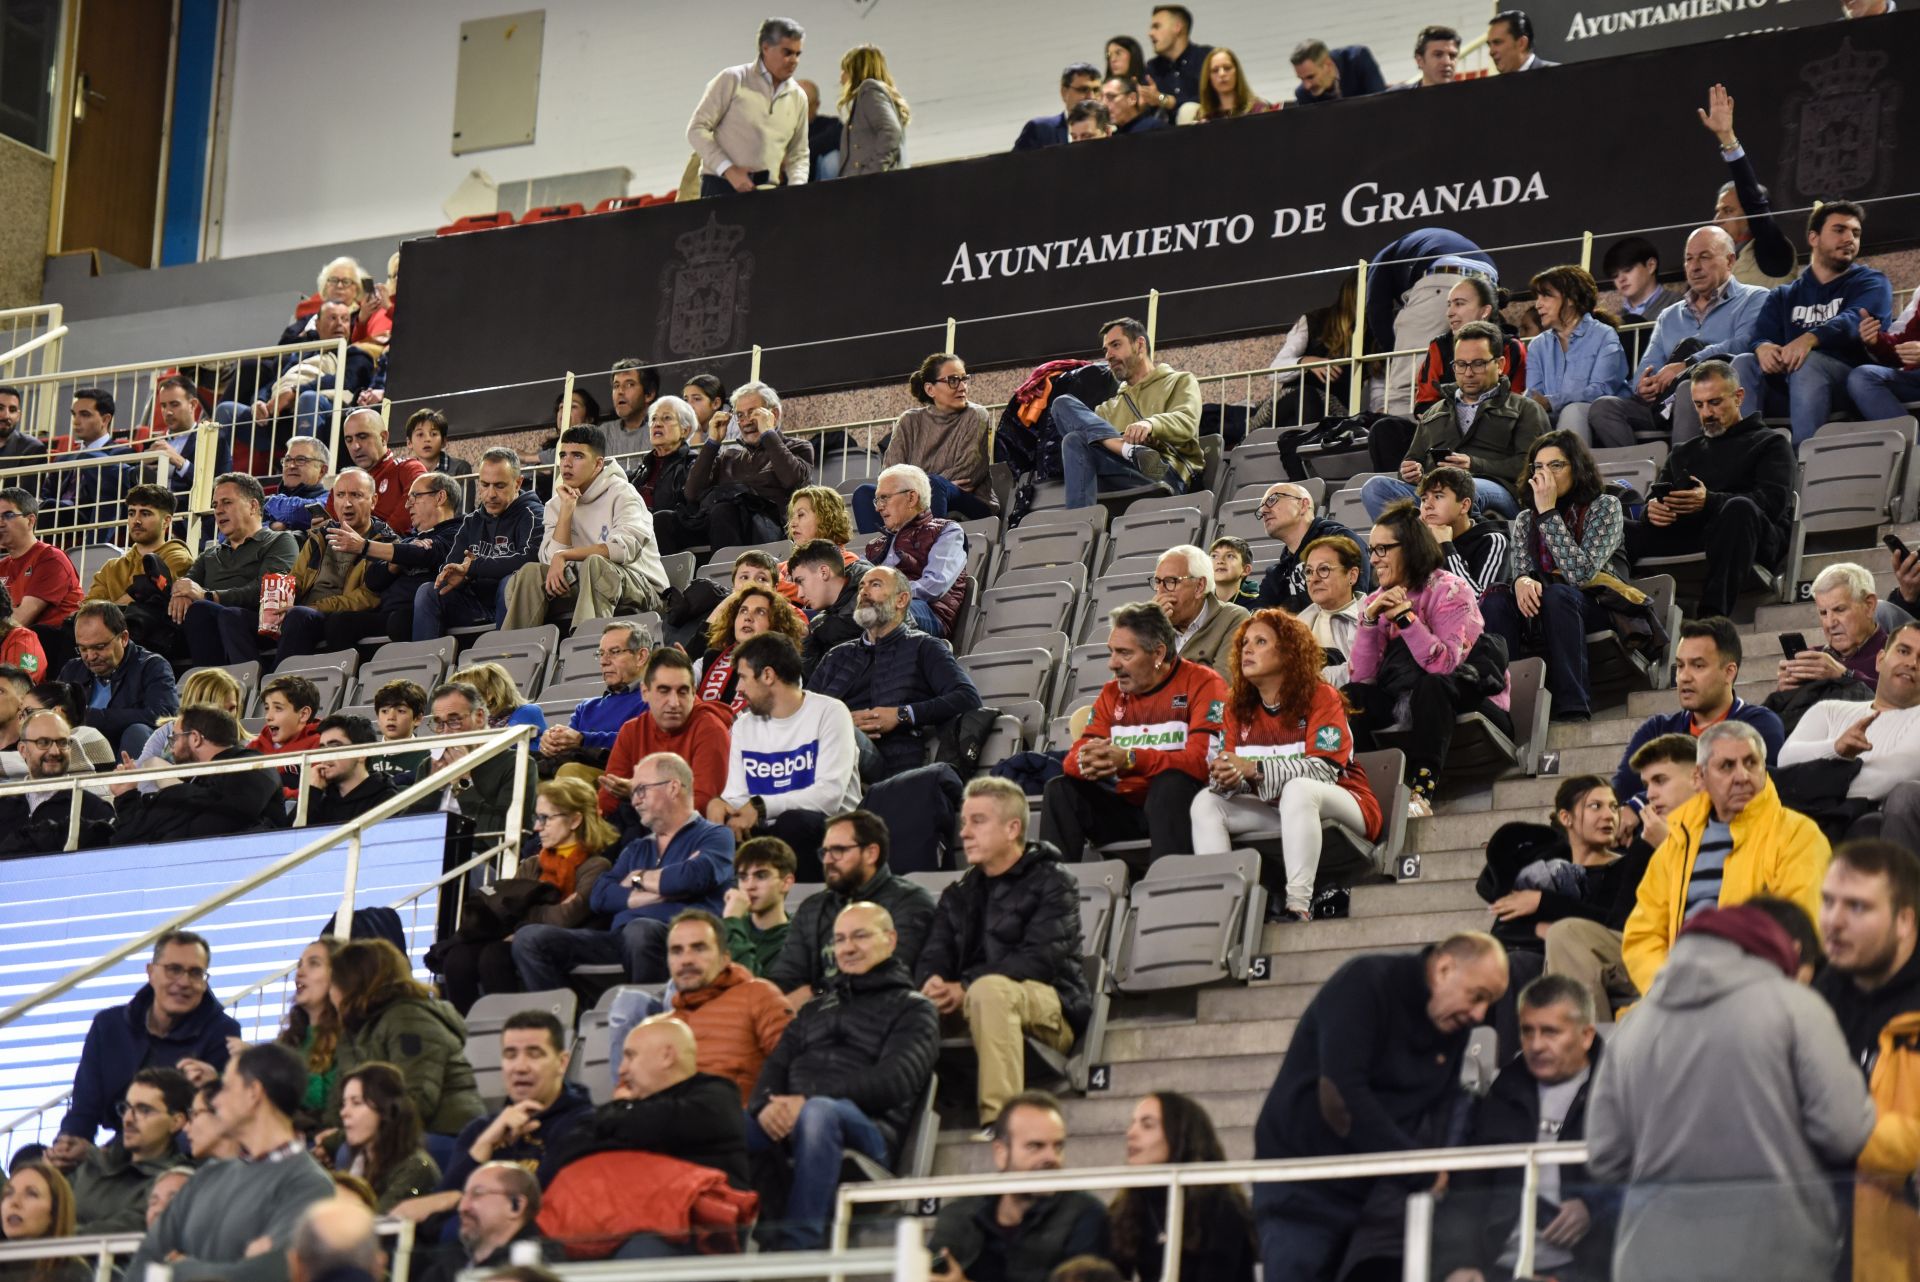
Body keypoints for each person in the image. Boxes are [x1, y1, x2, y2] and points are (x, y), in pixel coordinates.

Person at [1586, 903, 1874, 1282]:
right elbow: (1846, 1131)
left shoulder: (1634, 1027)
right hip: (1777, 1258)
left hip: (1650, 1260)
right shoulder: (1796, 1007)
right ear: (1792, 950)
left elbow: (1605, 1156)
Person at [1251, 933, 1510, 1282]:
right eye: (1476, 996)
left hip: (1372, 1197)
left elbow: (1441, 1109)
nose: (1479, 1014)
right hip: (1300, 1189)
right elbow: (1339, 1098)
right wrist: (1419, 1169)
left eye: (1488, 1003)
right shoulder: (1365, 983)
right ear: (1445, 969)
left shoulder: (1453, 1023)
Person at [748, 899, 938, 1248]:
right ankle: (734, 1246)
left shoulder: (915, 1008)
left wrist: (805, 1102)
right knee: (735, 1124)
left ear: (891, 939)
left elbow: (896, 1080)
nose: (847, 948)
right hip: (798, 1119)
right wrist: (765, 1105)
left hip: (870, 1133)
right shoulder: (813, 1009)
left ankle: (801, 1246)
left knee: (818, 1112)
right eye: (839, 939)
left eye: (860, 936)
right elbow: (776, 1066)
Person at [1190, 610, 1383, 919]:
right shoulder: (1237, 709)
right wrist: (1228, 776)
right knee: (1206, 802)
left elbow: (1324, 771)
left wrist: (1253, 768)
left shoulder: (1322, 696)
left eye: (1261, 641)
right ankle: (1225, 912)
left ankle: (1298, 905)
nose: (1247, 650)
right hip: (1281, 810)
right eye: (1245, 643)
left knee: (1298, 790)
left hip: (1347, 802)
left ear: (1288, 652)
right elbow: (1240, 776)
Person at [918, 778, 1089, 1124]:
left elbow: (1039, 960)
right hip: (974, 999)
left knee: (988, 991)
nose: (964, 832)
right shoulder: (960, 892)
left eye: (977, 821)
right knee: (908, 1005)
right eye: (964, 822)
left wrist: (965, 985)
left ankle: (1001, 1124)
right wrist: (933, 982)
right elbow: (934, 952)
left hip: (1050, 1007)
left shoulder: (1054, 881)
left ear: (1013, 828)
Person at [1620, 720, 1830, 994]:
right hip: (1676, 990)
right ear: (1701, 777)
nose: (1742, 776)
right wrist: (1666, 986)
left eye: (1751, 763)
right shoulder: (1677, 842)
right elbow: (1643, 935)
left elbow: (1799, 930)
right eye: (1727, 766)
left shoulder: (1798, 834)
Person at [1433, 975, 1612, 1282]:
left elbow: (1647, 1181)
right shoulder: (1504, 1093)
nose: (1536, 1045)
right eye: (1527, 1032)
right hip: (1500, 1268)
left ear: (1586, 1036)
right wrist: (1459, 1263)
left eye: (1550, 1032)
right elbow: (1467, 1190)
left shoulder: (1616, 1092)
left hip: (1586, 1269)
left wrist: (1593, 1207)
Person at [1346, 501, 1513, 814]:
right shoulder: (1373, 601)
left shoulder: (1450, 589)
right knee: (1351, 697)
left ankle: (1421, 792)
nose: (1373, 559)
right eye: (1371, 550)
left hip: (1471, 695)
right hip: (1403, 697)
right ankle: (1362, 792)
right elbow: (1363, 679)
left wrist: (1407, 620)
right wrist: (1369, 622)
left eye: (1382, 549)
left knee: (1432, 686)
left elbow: (1446, 666)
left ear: (1409, 548)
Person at [513, 753, 733, 989]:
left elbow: (692, 877)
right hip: (618, 939)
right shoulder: (638, 847)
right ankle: (560, 1020)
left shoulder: (715, 835)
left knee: (641, 930)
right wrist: (657, 888)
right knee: (531, 938)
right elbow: (601, 895)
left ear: (673, 788)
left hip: (680, 938)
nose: (634, 801)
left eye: (640, 790)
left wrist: (635, 879)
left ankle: (647, 1017)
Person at [1040, 602, 1228, 875]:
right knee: (1061, 790)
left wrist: (1129, 759)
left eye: (1124, 653)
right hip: (1128, 810)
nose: (1112, 664)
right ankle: (1051, 895)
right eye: (1111, 652)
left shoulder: (1203, 683)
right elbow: (1075, 757)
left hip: (1185, 809)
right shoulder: (1112, 693)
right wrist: (1088, 762)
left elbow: (1202, 762)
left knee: (1170, 784)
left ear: (1158, 653)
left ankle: (1166, 892)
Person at [125, 1044, 335, 1282]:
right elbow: (144, 1261)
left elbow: (272, 1271)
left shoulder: (309, 1184)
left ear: (253, 1093)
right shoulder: (206, 1176)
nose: (218, 1100)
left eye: (227, 1087)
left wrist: (179, 1270)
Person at [1813, 840, 1920, 1282]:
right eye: (1828, 902)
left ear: (1904, 920)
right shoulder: (1820, 998)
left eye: (1857, 907)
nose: (1834, 922)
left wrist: (1835, 1131)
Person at [1622, 360, 1795, 617]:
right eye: (1699, 405)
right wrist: (1652, 511)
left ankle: (1711, 617)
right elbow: (1654, 500)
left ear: (1739, 397)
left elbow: (1771, 504)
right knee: (1617, 524)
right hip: (1692, 534)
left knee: (1739, 508)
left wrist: (1710, 501)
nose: (1706, 413)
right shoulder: (1683, 452)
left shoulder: (1771, 443)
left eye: (1715, 402)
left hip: (1751, 535)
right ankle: (1623, 616)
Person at [389, 1010, 592, 1226]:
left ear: (562, 1063)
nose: (520, 1067)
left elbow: (539, 1205)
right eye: (510, 1055)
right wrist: (483, 1146)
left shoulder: (583, 1126)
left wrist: (458, 1198)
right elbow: (434, 1216)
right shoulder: (481, 1130)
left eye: (534, 1054)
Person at [55, 929, 238, 1168]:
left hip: (176, 1156)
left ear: (204, 982)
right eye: (173, 969)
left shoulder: (222, 1031)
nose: (183, 982)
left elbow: (208, 1119)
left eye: (195, 973)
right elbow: (84, 1106)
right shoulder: (108, 1025)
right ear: (151, 972)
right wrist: (69, 1142)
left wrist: (214, 1082)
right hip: (115, 1149)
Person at [435, 777, 616, 1012]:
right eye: (537, 818)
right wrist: (540, 911)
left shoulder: (596, 866)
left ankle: (514, 1033)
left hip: (562, 948)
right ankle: (467, 1040)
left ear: (575, 820)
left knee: (494, 955)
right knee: (457, 958)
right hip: (518, 940)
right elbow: (506, 911)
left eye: (545, 818)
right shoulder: (532, 864)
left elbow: (565, 919)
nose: (537, 827)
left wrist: (524, 915)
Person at [1480, 432, 1624, 722]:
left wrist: (1547, 512)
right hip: (1545, 605)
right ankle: (1506, 706)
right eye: (1538, 467)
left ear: (1577, 467)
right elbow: (1522, 567)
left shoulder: (1605, 506)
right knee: (1495, 598)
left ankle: (1573, 707)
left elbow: (1581, 574)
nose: (1545, 474)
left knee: (1559, 595)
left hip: (1596, 604)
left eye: (1555, 465)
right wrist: (1521, 580)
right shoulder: (1524, 519)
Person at [1586, 225, 1769, 448]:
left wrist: (1686, 365)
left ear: (1730, 261)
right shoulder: (1669, 315)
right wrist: (1645, 385)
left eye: (1704, 257)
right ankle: (1641, 471)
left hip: (1717, 400)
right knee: (1603, 407)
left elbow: (1743, 343)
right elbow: (1647, 366)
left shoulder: (1755, 298)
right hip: (1662, 405)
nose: (1695, 267)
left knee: (1688, 388)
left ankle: (1681, 473)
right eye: (1689, 259)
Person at [538, 1016, 749, 1203]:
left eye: (631, 1056)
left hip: (696, 1230)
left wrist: (619, 1111)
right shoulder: (631, 1109)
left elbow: (660, 1123)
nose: (622, 1069)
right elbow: (570, 1146)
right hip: (635, 1219)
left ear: (666, 1056)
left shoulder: (718, 1094)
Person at [1731, 200, 1893, 445]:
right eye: (1839, 230)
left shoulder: (1871, 282)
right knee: (1743, 363)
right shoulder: (1784, 295)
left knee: (1808, 363)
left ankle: (1803, 465)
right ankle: (1747, 454)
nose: (1850, 238)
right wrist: (1762, 346)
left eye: (1856, 233)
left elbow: (1853, 320)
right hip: (1788, 388)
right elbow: (1759, 334)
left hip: (1846, 386)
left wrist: (1809, 339)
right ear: (1814, 237)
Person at [707, 633, 862, 879]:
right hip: (769, 832)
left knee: (794, 822)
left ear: (768, 675)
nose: (738, 688)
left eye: (743, 678)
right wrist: (722, 805)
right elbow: (738, 795)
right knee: (720, 831)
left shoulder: (830, 712)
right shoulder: (744, 726)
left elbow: (828, 796)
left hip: (832, 833)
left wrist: (760, 807)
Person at [1610, 617, 1783, 832]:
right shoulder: (1657, 729)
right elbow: (1618, 794)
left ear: (1729, 672)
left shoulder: (1759, 724)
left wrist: (1638, 805)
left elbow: (1727, 789)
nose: (1684, 677)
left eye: (1698, 665)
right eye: (1680, 666)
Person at [811, 565, 983, 778]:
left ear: (901, 600)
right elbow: (806, 713)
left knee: (838, 732)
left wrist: (902, 714)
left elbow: (967, 698)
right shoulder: (836, 656)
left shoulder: (924, 647)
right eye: (861, 586)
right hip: (826, 756)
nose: (863, 592)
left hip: (887, 763)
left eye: (875, 585)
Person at [1362, 321, 1544, 521]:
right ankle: (1417, 543)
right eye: (1461, 364)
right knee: (1374, 488)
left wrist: (1475, 465)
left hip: (1497, 491)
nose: (1468, 373)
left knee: (1463, 491)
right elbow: (1413, 459)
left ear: (1500, 365)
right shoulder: (1434, 413)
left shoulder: (1525, 409)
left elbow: (1530, 467)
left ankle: (1447, 544)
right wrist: (1409, 472)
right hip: (1436, 493)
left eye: (1478, 363)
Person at [764, 807, 937, 1008]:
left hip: (882, 1019)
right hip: (812, 1024)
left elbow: (894, 975)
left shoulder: (909, 901)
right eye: (825, 852)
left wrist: (817, 992)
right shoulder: (813, 908)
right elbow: (785, 977)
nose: (827, 860)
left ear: (871, 853)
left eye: (838, 851)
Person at [928, 1092, 1110, 1282]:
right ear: (1001, 1153)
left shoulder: (1086, 1217)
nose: (1052, 1158)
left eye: (1058, 1147)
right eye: (1035, 1146)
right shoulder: (960, 1216)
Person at [501, 424, 665, 631]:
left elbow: (623, 549)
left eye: (577, 456)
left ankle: (585, 648)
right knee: (531, 573)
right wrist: (566, 511)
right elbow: (551, 561)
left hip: (643, 587)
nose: (567, 464)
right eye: (563, 455)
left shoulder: (624, 494)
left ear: (598, 464)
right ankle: (512, 655)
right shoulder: (556, 504)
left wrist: (565, 556)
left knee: (595, 564)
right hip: (585, 586)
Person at [1780, 620, 1920, 850]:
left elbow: (1888, 779)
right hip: (1816, 821)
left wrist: (1813, 782)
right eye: (1904, 651)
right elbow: (1786, 760)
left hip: (1880, 826)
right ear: (1880, 660)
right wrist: (1836, 749)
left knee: (1876, 819)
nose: (1912, 663)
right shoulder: (1828, 710)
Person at [327, 938, 485, 1139]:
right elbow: (339, 1101)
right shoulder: (357, 1028)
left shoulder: (408, 1018)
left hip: (446, 1134)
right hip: (397, 1134)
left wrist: (340, 1140)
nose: (329, 992)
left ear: (352, 984)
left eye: (334, 982)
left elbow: (417, 1101)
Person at [1054, 318, 1200, 510]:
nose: (1109, 355)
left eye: (1115, 345)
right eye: (1106, 350)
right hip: (1123, 474)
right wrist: (1128, 443)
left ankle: (1126, 450)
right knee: (1065, 413)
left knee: (1077, 434)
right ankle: (1081, 523)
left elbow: (1187, 422)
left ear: (1139, 345)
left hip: (1166, 473)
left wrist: (1150, 425)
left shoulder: (1179, 381)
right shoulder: (1106, 409)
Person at [1109, 1093, 1255, 1282]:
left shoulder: (1221, 1205)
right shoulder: (1129, 1204)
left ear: (1178, 1134)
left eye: (1147, 1125)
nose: (1131, 1134)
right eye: (1132, 1123)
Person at [656, 909, 790, 1105]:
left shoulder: (759, 996)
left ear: (725, 958)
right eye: (676, 951)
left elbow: (795, 1062)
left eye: (699, 948)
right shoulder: (662, 1026)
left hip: (742, 1121)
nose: (686, 960)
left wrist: (768, 1104)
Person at [320, 469, 463, 649]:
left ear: (440, 497)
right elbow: (372, 580)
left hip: (425, 613)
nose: (407, 505)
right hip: (388, 613)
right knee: (338, 622)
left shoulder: (459, 532)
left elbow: (427, 554)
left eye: (415, 496)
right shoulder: (410, 539)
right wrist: (395, 562)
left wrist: (364, 546)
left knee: (400, 621)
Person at [853, 354, 997, 531]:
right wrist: (912, 493)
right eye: (953, 380)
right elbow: (890, 473)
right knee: (863, 494)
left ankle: (923, 546)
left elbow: (969, 472)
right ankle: (879, 553)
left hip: (970, 503)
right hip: (912, 500)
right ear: (930, 389)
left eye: (964, 379)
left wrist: (916, 489)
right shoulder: (909, 420)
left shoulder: (976, 415)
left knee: (935, 484)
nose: (962, 387)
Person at [267, 469, 397, 662]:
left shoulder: (384, 543)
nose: (347, 503)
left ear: (374, 500)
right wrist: (278, 601)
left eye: (356, 495)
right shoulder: (320, 537)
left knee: (298, 616)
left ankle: (279, 685)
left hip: (333, 616)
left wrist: (315, 607)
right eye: (340, 495)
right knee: (236, 617)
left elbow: (367, 597)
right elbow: (297, 579)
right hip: (302, 613)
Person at [171, 474, 301, 665]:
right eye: (215, 505)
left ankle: (216, 683)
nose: (218, 511)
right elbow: (186, 583)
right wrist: (181, 594)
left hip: (255, 623)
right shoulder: (210, 554)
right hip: (210, 622)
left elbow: (265, 591)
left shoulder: (280, 541)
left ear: (253, 506)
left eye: (227, 503)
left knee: (204, 610)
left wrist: (209, 597)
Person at [414, 448, 543, 640]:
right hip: (474, 606)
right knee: (428, 591)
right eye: (484, 485)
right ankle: (424, 666)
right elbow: (452, 567)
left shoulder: (533, 514)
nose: (490, 494)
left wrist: (473, 567)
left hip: (513, 605)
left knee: (510, 582)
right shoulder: (472, 521)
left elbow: (530, 559)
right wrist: (459, 576)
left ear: (518, 483)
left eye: (499, 486)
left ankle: (504, 657)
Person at [109, 705, 282, 843]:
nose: (172, 747)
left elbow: (220, 823)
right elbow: (134, 835)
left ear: (195, 738)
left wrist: (171, 797)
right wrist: (127, 797)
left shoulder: (252, 767)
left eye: (174, 738)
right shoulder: (202, 781)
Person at [598, 647, 734, 820]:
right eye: (664, 691)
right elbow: (607, 802)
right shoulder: (631, 731)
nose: (674, 703)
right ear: (645, 692)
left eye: (683, 692)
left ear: (693, 693)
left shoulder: (711, 730)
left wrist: (643, 792)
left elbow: (703, 805)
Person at [682, 381, 813, 548]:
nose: (745, 422)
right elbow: (692, 493)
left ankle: (727, 571)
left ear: (773, 413)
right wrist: (713, 442)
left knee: (723, 510)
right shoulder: (729, 457)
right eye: (740, 415)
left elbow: (792, 481)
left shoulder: (798, 447)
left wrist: (768, 433)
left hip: (771, 528)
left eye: (753, 413)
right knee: (664, 519)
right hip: (723, 525)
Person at [687, 17, 809, 196]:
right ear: (765, 48)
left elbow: (798, 154)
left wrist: (797, 190)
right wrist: (729, 170)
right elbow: (696, 130)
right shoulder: (732, 79)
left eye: (798, 54)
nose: (794, 60)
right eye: (787, 52)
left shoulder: (799, 97)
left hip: (768, 194)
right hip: (720, 187)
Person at [70, 1068, 193, 1233]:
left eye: (144, 1110)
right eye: (126, 1108)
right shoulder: (92, 1163)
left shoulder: (176, 1181)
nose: (127, 1119)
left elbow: (132, 1227)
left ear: (176, 1122)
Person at [1700, 83, 1797, 290]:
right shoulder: (1715, 263)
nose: (1717, 220)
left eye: (1728, 210)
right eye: (1718, 211)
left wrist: (1727, 138)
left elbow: (1754, 204)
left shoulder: (1772, 251)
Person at [52, 601, 177, 760]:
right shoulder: (72, 669)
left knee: (136, 731)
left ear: (123, 638)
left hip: (129, 754)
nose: (90, 657)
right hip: (81, 755)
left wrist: (93, 718)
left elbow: (163, 716)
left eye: (99, 647)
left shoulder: (152, 666)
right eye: (83, 649)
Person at [861, 464, 972, 638]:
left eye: (884, 498)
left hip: (927, 612)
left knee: (876, 612)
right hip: (883, 608)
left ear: (911, 498)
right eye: (877, 500)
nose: (878, 507)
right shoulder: (875, 546)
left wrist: (885, 594)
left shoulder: (947, 531)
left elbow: (934, 585)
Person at [1524, 266, 1629, 445]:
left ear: (1571, 299)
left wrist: (1552, 402)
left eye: (1546, 295)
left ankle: (1574, 472)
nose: (1538, 304)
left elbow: (1601, 390)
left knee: (1573, 411)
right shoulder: (1537, 345)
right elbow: (1535, 396)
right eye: (1537, 297)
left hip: (1601, 417)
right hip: (1554, 420)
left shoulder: (1604, 335)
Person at [538, 622, 648, 780]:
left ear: (640, 657)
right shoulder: (586, 708)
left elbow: (641, 741)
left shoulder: (655, 700)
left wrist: (584, 739)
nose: (604, 661)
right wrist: (553, 742)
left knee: (570, 773)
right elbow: (569, 748)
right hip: (575, 773)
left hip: (623, 779)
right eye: (601, 654)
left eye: (614, 652)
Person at [328, 1063, 440, 1213]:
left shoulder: (416, 1168)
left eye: (356, 1103)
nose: (344, 1113)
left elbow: (374, 1224)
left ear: (386, 1109)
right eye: (343, 1104)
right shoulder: (359, 1163)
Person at [0, 710, 114, 855]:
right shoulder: (3, 806)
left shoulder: (93, 808)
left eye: (62, 743)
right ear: (23, 750)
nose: (54, 751)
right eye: (43, 743)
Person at [1410, 276, 1529, 414]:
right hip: (1443, 426)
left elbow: (1513, 405)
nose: (1449, 313)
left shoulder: (1511, 348)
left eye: (1459, 304)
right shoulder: (1439, 346)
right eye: (1449, 304)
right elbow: (1425, 402)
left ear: (1485, 311)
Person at [415, 1164, 546, 1282]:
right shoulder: (449, 1262)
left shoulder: (539, 1268)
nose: (462, 1208)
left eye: (478, 1194)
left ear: (516, 1205)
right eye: (464, 1196)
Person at [1253, 482, 1368, 613]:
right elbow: (1258, 616)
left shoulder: (1339, 540)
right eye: (1261, 508)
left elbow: (1358, 605)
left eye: (1272, 500)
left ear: (1303, 505)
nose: (1263, 511)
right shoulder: (1278, 572)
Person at [1778, 561, 1890, 694]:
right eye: (1823, 613)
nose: (1830, 623)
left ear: (1869, 605)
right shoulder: (1813, 661)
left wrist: (1845, 676)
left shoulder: (1902, 653)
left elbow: (1906, 703)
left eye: (1839, 609)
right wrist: (1783, 694)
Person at [697, 583, 808, 716]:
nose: (748, 617)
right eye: (743, 610)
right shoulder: (710, 659)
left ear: (775, 625)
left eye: (760, 612)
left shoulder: (785, 671)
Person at [84, 483, 193, 614]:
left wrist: (108, 610)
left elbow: (150, 590)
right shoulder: (111, 567)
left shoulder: (178, 557)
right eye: (131, 513)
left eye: (145, 513)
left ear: (166, 521)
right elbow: (88, 609)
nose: (136, 520)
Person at [0, 487, 80, 656]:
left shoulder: (51, 558)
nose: (0, 523)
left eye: (8, 515)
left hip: (55, 650)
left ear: (30, 521)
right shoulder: (3, 566)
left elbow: (19, 620)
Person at [1149, 545, 1249, 675]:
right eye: (1157, 582)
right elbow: (1124, 686)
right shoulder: (1152, 625)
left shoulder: (1233, 618)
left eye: (1171, 581)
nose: (1160, 591)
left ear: (1199, 586)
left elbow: (1221, 686)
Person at [1417, 466, 1511, 600]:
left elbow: (1480, 600)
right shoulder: (1420, 542)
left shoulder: (1492, 540)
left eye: (1438, 496)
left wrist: (1446, 547)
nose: (1427, 505)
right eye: (1424, 499)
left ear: (1464, 505)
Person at [276, 937, 344, 1118]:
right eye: (300, 965)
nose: (299, 973)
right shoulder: (292, 1037)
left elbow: (328, 1101)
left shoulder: (348, 1037)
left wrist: (273, 1073)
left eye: (314, 964)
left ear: (338, 976)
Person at [327, 409, 425, 536]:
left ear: (383, 438)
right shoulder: (343, 482)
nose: (355, 446)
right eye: (349, 440)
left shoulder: (408, 469)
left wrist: (370, 544)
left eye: (362, 437)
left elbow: (413, 513)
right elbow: (330, 528)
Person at [296, 715, 400, 826]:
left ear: (362, 753)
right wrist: (312, 792)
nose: (325, 755)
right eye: (322, 748)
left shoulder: (387, 799)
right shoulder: (320, 797)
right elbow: (288, 837)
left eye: (335, 746)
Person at [789, 538, 871, 677]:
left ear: (824, 572)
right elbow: (820, 681)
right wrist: (806, 640)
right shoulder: (819, 626)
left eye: (801, 582)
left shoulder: (879, 593)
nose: (799, 594)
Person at [3, 1161, 95, 1282]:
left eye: (31, 1194)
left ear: (55, 1212)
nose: (14, 1202)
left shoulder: (73, 1272)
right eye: (8, 1193)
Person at [628, 396, 699, 551]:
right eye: (653, 419)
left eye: (666, 418)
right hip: (638, 533)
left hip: (674, 531)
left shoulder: (693, 464)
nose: (657, 424)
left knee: (661, 519)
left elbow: (691, 510)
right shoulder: (641, 471)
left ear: (684, 430)